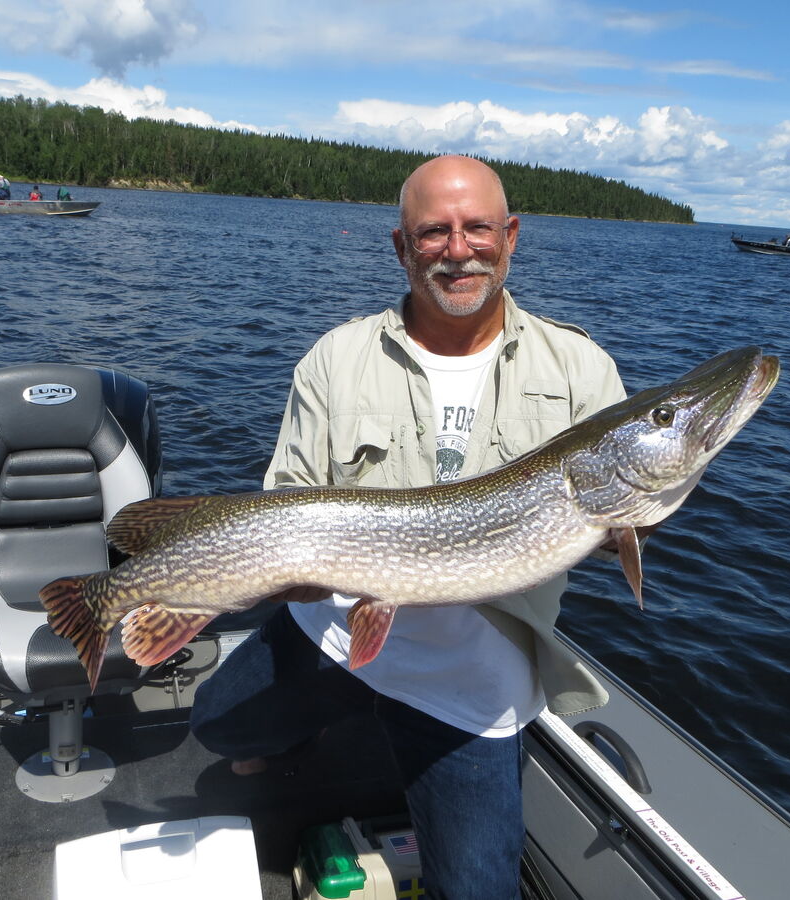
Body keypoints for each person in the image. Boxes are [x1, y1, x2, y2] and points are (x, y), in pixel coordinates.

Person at [190, 155, 627, 899]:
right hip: (333, 632)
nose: (459, 249)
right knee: (217, 725)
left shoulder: (583, 370)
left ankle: (372, 720)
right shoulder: (337, 358)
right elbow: (287, 498)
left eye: (478, 228)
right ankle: (320, 713)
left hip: (471, 687)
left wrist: (626, 521)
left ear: (510, 236)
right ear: (402, 247)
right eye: (434, 232)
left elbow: (619, 509)